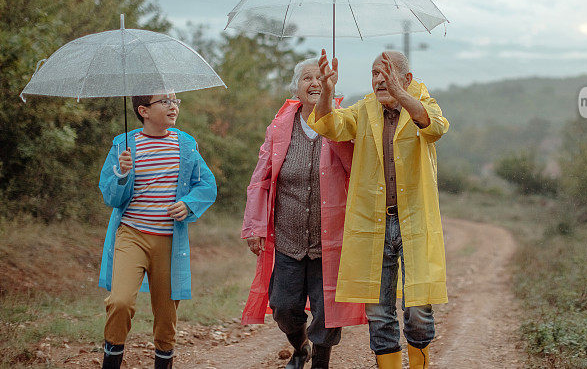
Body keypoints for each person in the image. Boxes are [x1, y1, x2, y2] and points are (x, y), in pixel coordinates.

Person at [309, 50, 449, 369]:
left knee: (418, 309)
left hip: (415, 222)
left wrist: (401, 95)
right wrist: (328, 90)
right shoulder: (364, 109)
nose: (378, 80)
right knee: (379, 311)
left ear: (407, 79)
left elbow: (435, 127)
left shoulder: (424, 103)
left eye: (386, 72)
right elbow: (329, 125)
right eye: (374, 73)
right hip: (374, 224)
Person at [241, 58, 366, 369]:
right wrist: (254, 226)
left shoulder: (343, 123)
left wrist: (333, 125)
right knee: (283, 307)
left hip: (331, 240)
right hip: (289, 239)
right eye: (306, 78)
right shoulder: (280, 127)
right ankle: (300, 347)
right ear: (294, 87)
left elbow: (356, 168)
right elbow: (261, 178)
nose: (313, 83)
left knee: (328, 310)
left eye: (320, 78)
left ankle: (321, 361)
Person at [98, 93, 217, 369]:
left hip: (169, 241)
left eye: (175, 101)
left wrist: (189, 204)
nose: (173, 106)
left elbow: (207, 184)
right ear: (144, 110)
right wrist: (122, 174)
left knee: (166, 315)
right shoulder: (124, 145)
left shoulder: (185, 145)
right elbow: (111, 197)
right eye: (165, 101)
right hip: (131, 235)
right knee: (120, 301)